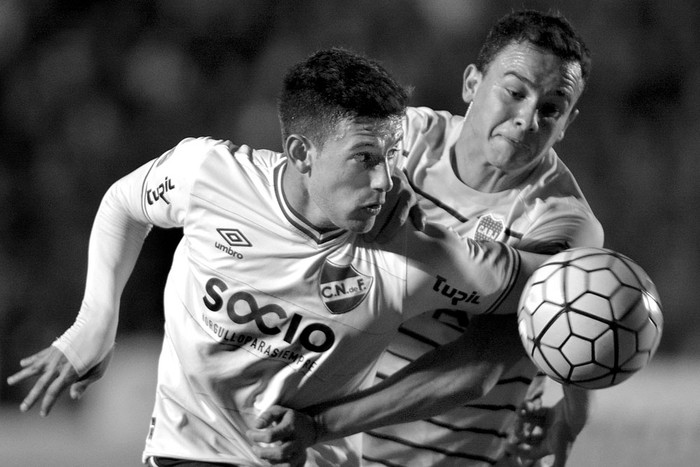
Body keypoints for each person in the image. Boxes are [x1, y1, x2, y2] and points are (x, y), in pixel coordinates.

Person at [7, 48, 549, 467]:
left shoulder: (408, 248)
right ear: (300, 154)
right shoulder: (207, 176)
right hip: (191, 451)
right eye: (364, 158)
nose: (385, 180)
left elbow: (529, 295)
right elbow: (124, 203)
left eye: (391, 155)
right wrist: (95, 322)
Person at [248, 10, 604, 467]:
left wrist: (319, 424)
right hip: (327, 454)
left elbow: (477, 365)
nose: (528, 118)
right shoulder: (402, 142)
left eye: (551, 108)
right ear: (472, 85)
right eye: (515, 92)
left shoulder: (563, 225)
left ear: (568, 121)